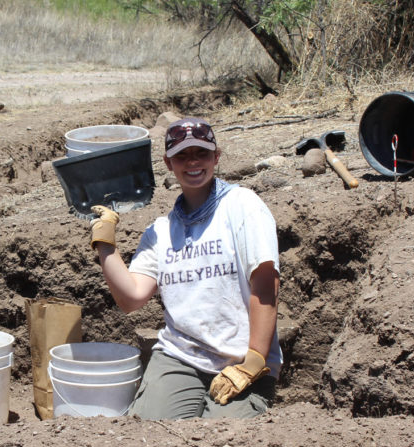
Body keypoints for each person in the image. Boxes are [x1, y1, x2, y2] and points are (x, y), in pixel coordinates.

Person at [90, 117, 280, 419]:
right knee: (151, 437)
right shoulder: (161, 231)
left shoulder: (243, 206)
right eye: (182, 155)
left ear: (216, 157)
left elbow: (265, 284)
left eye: (201, 153)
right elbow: (130, 299)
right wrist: (104, 241)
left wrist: (254, 360)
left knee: (224, 445)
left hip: (243, 361)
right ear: (168, 163)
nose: (193, 162)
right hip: (179, 358)